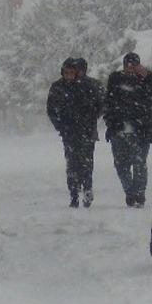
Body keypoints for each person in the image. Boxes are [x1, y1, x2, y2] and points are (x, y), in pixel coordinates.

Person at [103, 52, 152, 208]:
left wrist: (149, 75)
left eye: (134, 65)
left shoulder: (146, 79)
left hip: (142, 130)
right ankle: (130, 191)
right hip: (119, 129)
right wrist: (111, 122)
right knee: (120, 165)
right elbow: (108, 102)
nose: (130, 68)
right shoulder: (115, 79)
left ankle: (140, 194)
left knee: (139, 164)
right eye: (128, 65)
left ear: (139, 66)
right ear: (123, 66)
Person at [46, 57, 104, 208]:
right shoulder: (57, 87)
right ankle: (73, 193)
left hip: (87, 131)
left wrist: (91, 118)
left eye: (72, 72)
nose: (69, 75)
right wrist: (60, 126)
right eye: (66, 72)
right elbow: (51, 110)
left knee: (87, 162)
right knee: (72, 163)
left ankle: (87, 189)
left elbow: (100, 105)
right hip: (69, 132)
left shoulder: (88, 86)